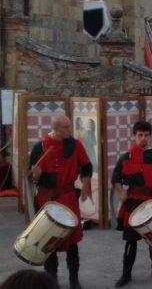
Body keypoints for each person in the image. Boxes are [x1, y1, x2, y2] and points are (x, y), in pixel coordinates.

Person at [29, 116, 92, 289]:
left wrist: (85, 185)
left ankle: (74, 281)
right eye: (65, 127)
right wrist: (35, 174)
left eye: (69, 127)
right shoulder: (39, 147)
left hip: (67, 198)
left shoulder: (76, 145)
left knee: (72, 243)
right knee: (49, 244)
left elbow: (87, 167)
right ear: (55, 129)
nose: (69, 130)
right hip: (45, 200)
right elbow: (31, 177)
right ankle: (52, 282)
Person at [112, 121, 152, 287]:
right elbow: (115, 179)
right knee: (131, 241)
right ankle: (126, 274)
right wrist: (121, 191)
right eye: (140, 135)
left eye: (146, 135)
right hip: (132, 205)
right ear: (134, 136)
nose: (143, 138)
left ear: (150, 136)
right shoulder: (125, 158)